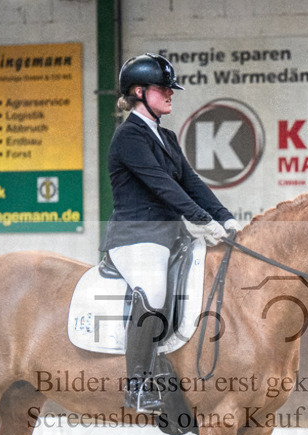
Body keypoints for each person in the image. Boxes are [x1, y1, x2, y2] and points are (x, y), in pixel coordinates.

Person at [102, 53, 242, 415]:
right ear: (139, 91)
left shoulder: (165, 136)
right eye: (163, 88)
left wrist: (225, 218)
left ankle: (181, 386)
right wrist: (201, 220)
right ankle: (137, 385)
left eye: (170, 88)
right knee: (154, 290)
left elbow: (190, 181)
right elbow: (162, 185)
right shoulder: (127, 137)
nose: (170, 94)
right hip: (136, 237)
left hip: (171, 237)